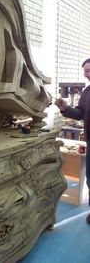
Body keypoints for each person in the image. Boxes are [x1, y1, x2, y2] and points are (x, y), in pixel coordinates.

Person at [55, 58, 90, 224]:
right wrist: (65, 108)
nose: (85, 74)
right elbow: (80, 113)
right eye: (85, 71)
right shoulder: (87, 92)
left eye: (88, 70)